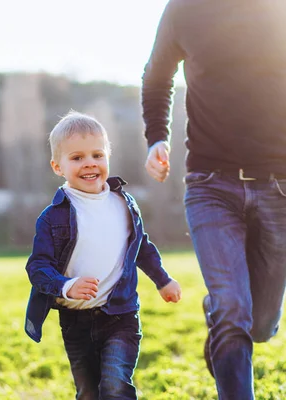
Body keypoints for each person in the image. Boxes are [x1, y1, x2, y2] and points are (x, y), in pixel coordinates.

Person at [142, 1, 286, 398]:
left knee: (261, 324)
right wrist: (156, 137)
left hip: (279, 185)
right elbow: (157, 77)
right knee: (232, 307)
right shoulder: (184, 10)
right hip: (210, 184)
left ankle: (221, 316)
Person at [24, 111, 181, 400]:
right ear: (58, 166)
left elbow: (141, 247)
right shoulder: (52, 218)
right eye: (77, 158)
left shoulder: (124, 204)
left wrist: (163, 280)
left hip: (120, 315)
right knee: (88, 393)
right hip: (75, 319)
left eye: (97, 155)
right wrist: (66, 285)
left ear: (108, 156)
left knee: (115, 387)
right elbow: (37, 266)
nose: (89, 164)